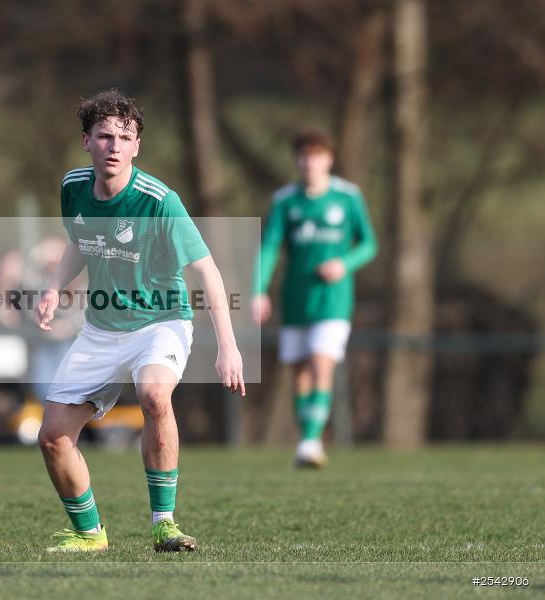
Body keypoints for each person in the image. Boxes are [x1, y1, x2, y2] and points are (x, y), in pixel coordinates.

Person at [35, 89, 245, 553]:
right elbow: (81, 243)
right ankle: (90, 535)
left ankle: (164, 523)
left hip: (161, 321)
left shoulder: (158, 201)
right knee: (51, 437)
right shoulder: (73, 187)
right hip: (101, 328)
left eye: (124, 137)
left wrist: (228, 347)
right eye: (104, 136)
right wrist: (55, 286)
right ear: (86, 141)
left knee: (153, 394)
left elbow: (207, 272)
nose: (114, 146)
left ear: (137, 146)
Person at [251, 129, 377, 468]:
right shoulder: (285, 201)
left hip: (334, 300)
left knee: (322, 362)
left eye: (317, 155)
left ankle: (309, 440)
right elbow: (269, 247)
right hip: (295, 298)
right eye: (304, 155)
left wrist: (344, 263)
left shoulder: (348, 197)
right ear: (297, 160)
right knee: (300, 372)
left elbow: (368, 244)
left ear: (329, 159)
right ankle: (308, 438)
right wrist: (259, 290)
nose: (310, 162)